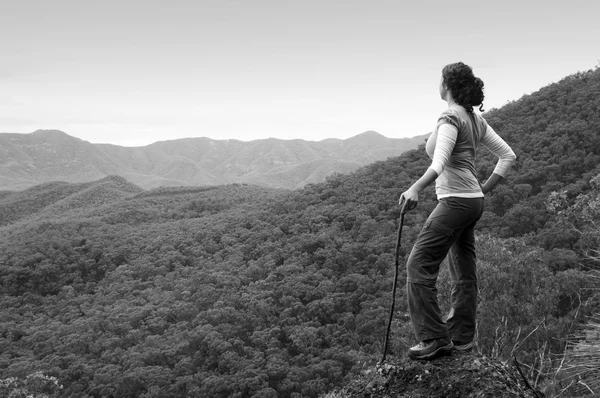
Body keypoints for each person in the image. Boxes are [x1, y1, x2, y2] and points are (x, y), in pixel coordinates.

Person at [399, 62, 516, 360]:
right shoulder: (475, 120)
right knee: (463, 268)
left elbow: (438, 164)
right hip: (473, 201)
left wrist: (414, 188)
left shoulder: (450, 117)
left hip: (455, 201)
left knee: (418, 264)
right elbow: (507, 156)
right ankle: (462, 337)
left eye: (439, 80)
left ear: (447, 86)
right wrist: (483, 190)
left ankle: (434, 338)